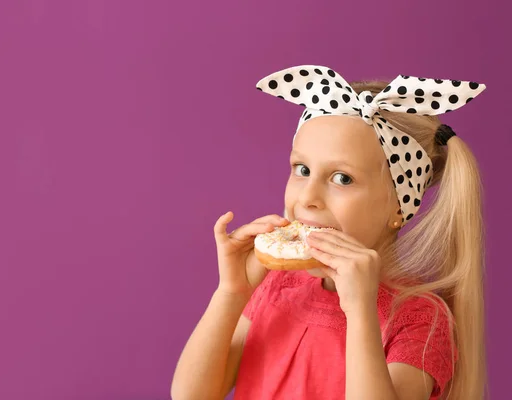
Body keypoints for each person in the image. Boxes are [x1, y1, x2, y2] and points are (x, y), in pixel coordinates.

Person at [171, 65, 487, 400]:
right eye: (302, 170)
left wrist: (361, 310)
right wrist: (231, 293)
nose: (307, 198)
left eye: (342, 178)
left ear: (398, 207)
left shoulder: (419, 317)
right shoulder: (275, 286)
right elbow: (192, 394)